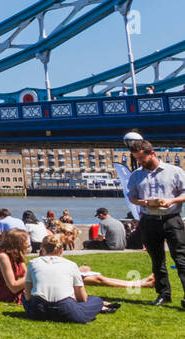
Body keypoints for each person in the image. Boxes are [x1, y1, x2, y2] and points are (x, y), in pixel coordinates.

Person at [125, 138, 185, 307]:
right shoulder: (136, 175)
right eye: (137, 159)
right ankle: (163, 294)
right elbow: (132, 196)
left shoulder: (174, 171)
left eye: (142, 158)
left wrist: (171, 201)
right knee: (157, 260)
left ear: (152, 153)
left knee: (181, 258)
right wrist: (142, 202)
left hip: (171, 219)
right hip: (149, 220)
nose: (140, 162)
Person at [22, 235, 118, 323]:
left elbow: (28, 296)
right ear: (61, 251)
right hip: (64, 309)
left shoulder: (33, 263)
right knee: (96, 300)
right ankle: (101, 306)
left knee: (23, 297)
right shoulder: (71, 265)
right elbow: (82, 298)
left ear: (42, 250)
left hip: (38, 310)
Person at [0, 228, 30, 304]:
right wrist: (35, 277)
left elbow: (26, 275)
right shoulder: (2, 257)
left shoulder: (17, 255)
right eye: (26, 241)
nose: (28, 244)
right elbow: (13, 287)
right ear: (18, 243)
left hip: (9, 288)